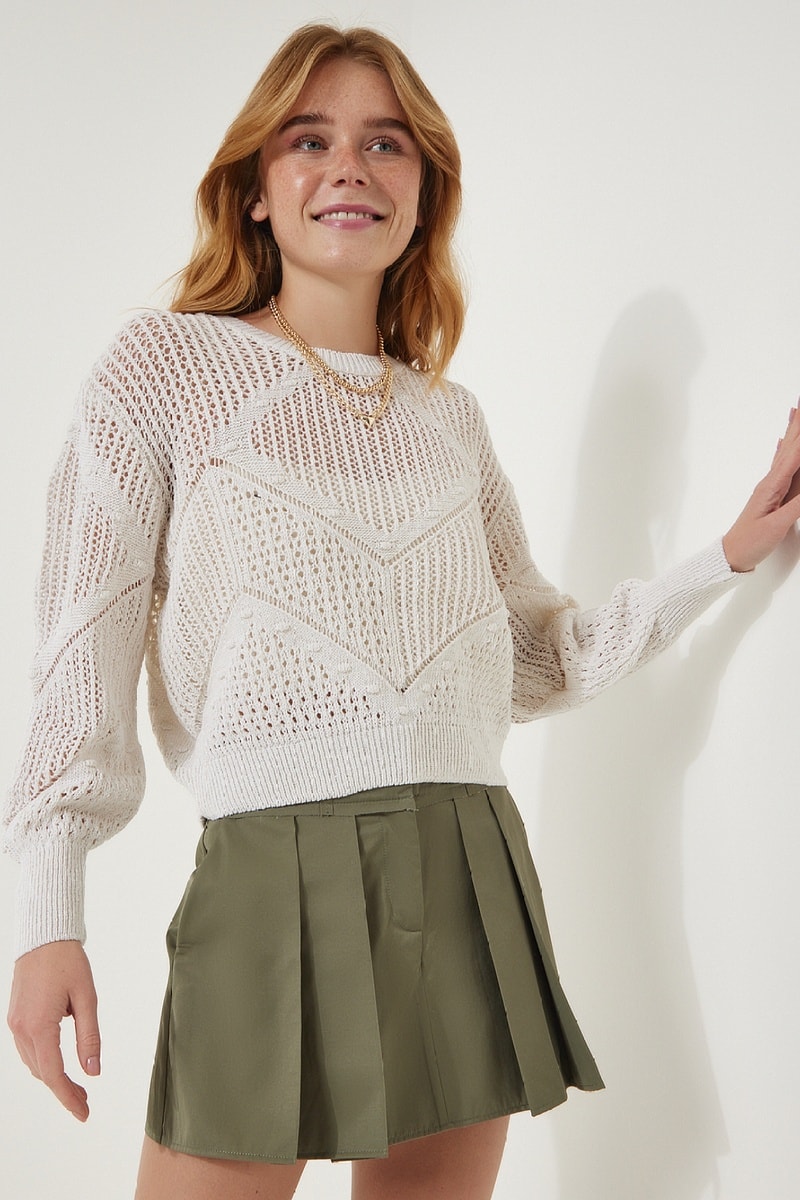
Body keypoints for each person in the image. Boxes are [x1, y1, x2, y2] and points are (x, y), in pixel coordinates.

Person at [4, 22, 800, 1200]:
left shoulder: (448, 421)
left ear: (423, 194)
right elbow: (82, 648)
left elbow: (536, 656)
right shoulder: (161, 371)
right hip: (266, 870)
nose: (349, 168)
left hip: (467, 861)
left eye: (385, 144)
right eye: (308, 140)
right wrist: (46, 916)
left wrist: (720, 559)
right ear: (255, 188)